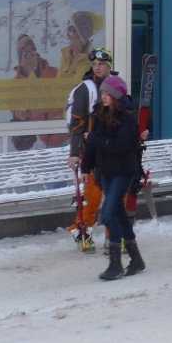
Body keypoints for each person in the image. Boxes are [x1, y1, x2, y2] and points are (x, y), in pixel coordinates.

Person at [81, 76, 146, 280]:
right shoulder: (100, 115)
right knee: (117, 214)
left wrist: (94, 139)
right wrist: (86, 168)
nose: (103, 97)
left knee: (108, 214)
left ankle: (115, 264)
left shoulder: (127, 119)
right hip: (105, 172)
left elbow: (119, 146)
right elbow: (91, 146)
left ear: (116, 96)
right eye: (102, 93)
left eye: (107, 94)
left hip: (123, 172)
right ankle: (136, 259)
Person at [65, 46, 116, 251]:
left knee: (117, 195)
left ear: (108, 66)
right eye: (94, 64)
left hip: (114, 150)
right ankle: (81, 230)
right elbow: (76, 123)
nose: (97, 68)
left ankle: (113, 234)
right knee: (92, 196)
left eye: (101, 64)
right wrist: (75, 153)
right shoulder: (84, 89)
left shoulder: (116, 87)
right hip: (92, 152)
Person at [58, 10, 98, 78]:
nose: (67, 34)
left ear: (80, 35)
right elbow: (56, 84)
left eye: (70, 29)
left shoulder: (92, 61)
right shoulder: (65, 56)